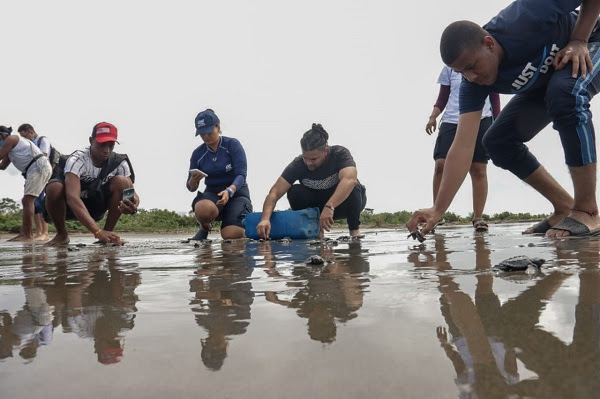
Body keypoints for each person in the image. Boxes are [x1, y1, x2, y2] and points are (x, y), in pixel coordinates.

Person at [407, 0, 600, 239]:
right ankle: (564, 207)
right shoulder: (471, 84)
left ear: (488, 44)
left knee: (565, 94)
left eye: (471, 66)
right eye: (461, 73)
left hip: (592, 40)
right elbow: (463, 145)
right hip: (547, 81)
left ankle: (587, 210)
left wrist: (579, 40)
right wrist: (438, 209)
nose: (471, 76)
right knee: (497, 142)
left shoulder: (525, 15)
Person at [257, 123, 367, 239]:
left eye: (314, 159)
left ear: (325, 151)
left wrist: (330, 206)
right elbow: (274, 193)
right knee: (294, 191)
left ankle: (354, 231)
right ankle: (317, 232)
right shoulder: (298, 164)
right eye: (306, 158)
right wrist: (264, 219)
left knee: (353, 186)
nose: (309, 163)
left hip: (342, 205)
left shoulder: (340, 154)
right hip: (317, 209)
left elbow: (350, 180)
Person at [426, 66, 501, 232]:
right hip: (451, 120)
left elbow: (494, 97)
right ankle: (437, 214)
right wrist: (433, 117)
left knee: (478, 168)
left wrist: (498, 122)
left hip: (482, 118)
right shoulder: (448, 69)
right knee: (440, 165)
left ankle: (478, 217)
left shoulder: (483, 63)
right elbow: (443, 98)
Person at [44, 122, 139, 246]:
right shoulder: (77, 160)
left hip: (97, 206)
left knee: (123, 181)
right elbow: (72, 197)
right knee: (54, 187)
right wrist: (97, 231)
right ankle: (62, 234)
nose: (106, 150)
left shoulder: (119, 163)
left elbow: (132, 194)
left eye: (110, 146)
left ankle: (108, 234)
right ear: (91, 140)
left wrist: (132, 205)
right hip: (69, 207)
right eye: (102, 145)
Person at [187, 109, 252, 240]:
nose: (206, 136)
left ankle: (243, 225)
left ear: (218, 127)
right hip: (213, 194)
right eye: (202, 134)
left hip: (237, 193)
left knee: (230, 235)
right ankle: (204, 227)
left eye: (209, 132)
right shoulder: (198, 154)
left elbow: (241, 174)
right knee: (203, 208)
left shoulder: (232, 145)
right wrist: (194, 180)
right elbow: (190, 187)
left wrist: (229, 191)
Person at [0, 125, 52, 242]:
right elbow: (3, 166)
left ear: (3, 135)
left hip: (38, 166)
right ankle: (24, 233)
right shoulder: (10, 147)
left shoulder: (12, 139)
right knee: (27, 201)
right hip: (34, 169)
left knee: (28, 201)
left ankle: (28, 235)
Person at [18, 124, 52, 241]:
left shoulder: (42, 140)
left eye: (25, 136)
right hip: (33, 174)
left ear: (31, 132)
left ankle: (45, 233)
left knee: (39, 202)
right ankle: (39, 232)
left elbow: (44, 155)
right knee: (35, 203)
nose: (25, 139)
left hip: (42, 172)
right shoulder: (29, 144)